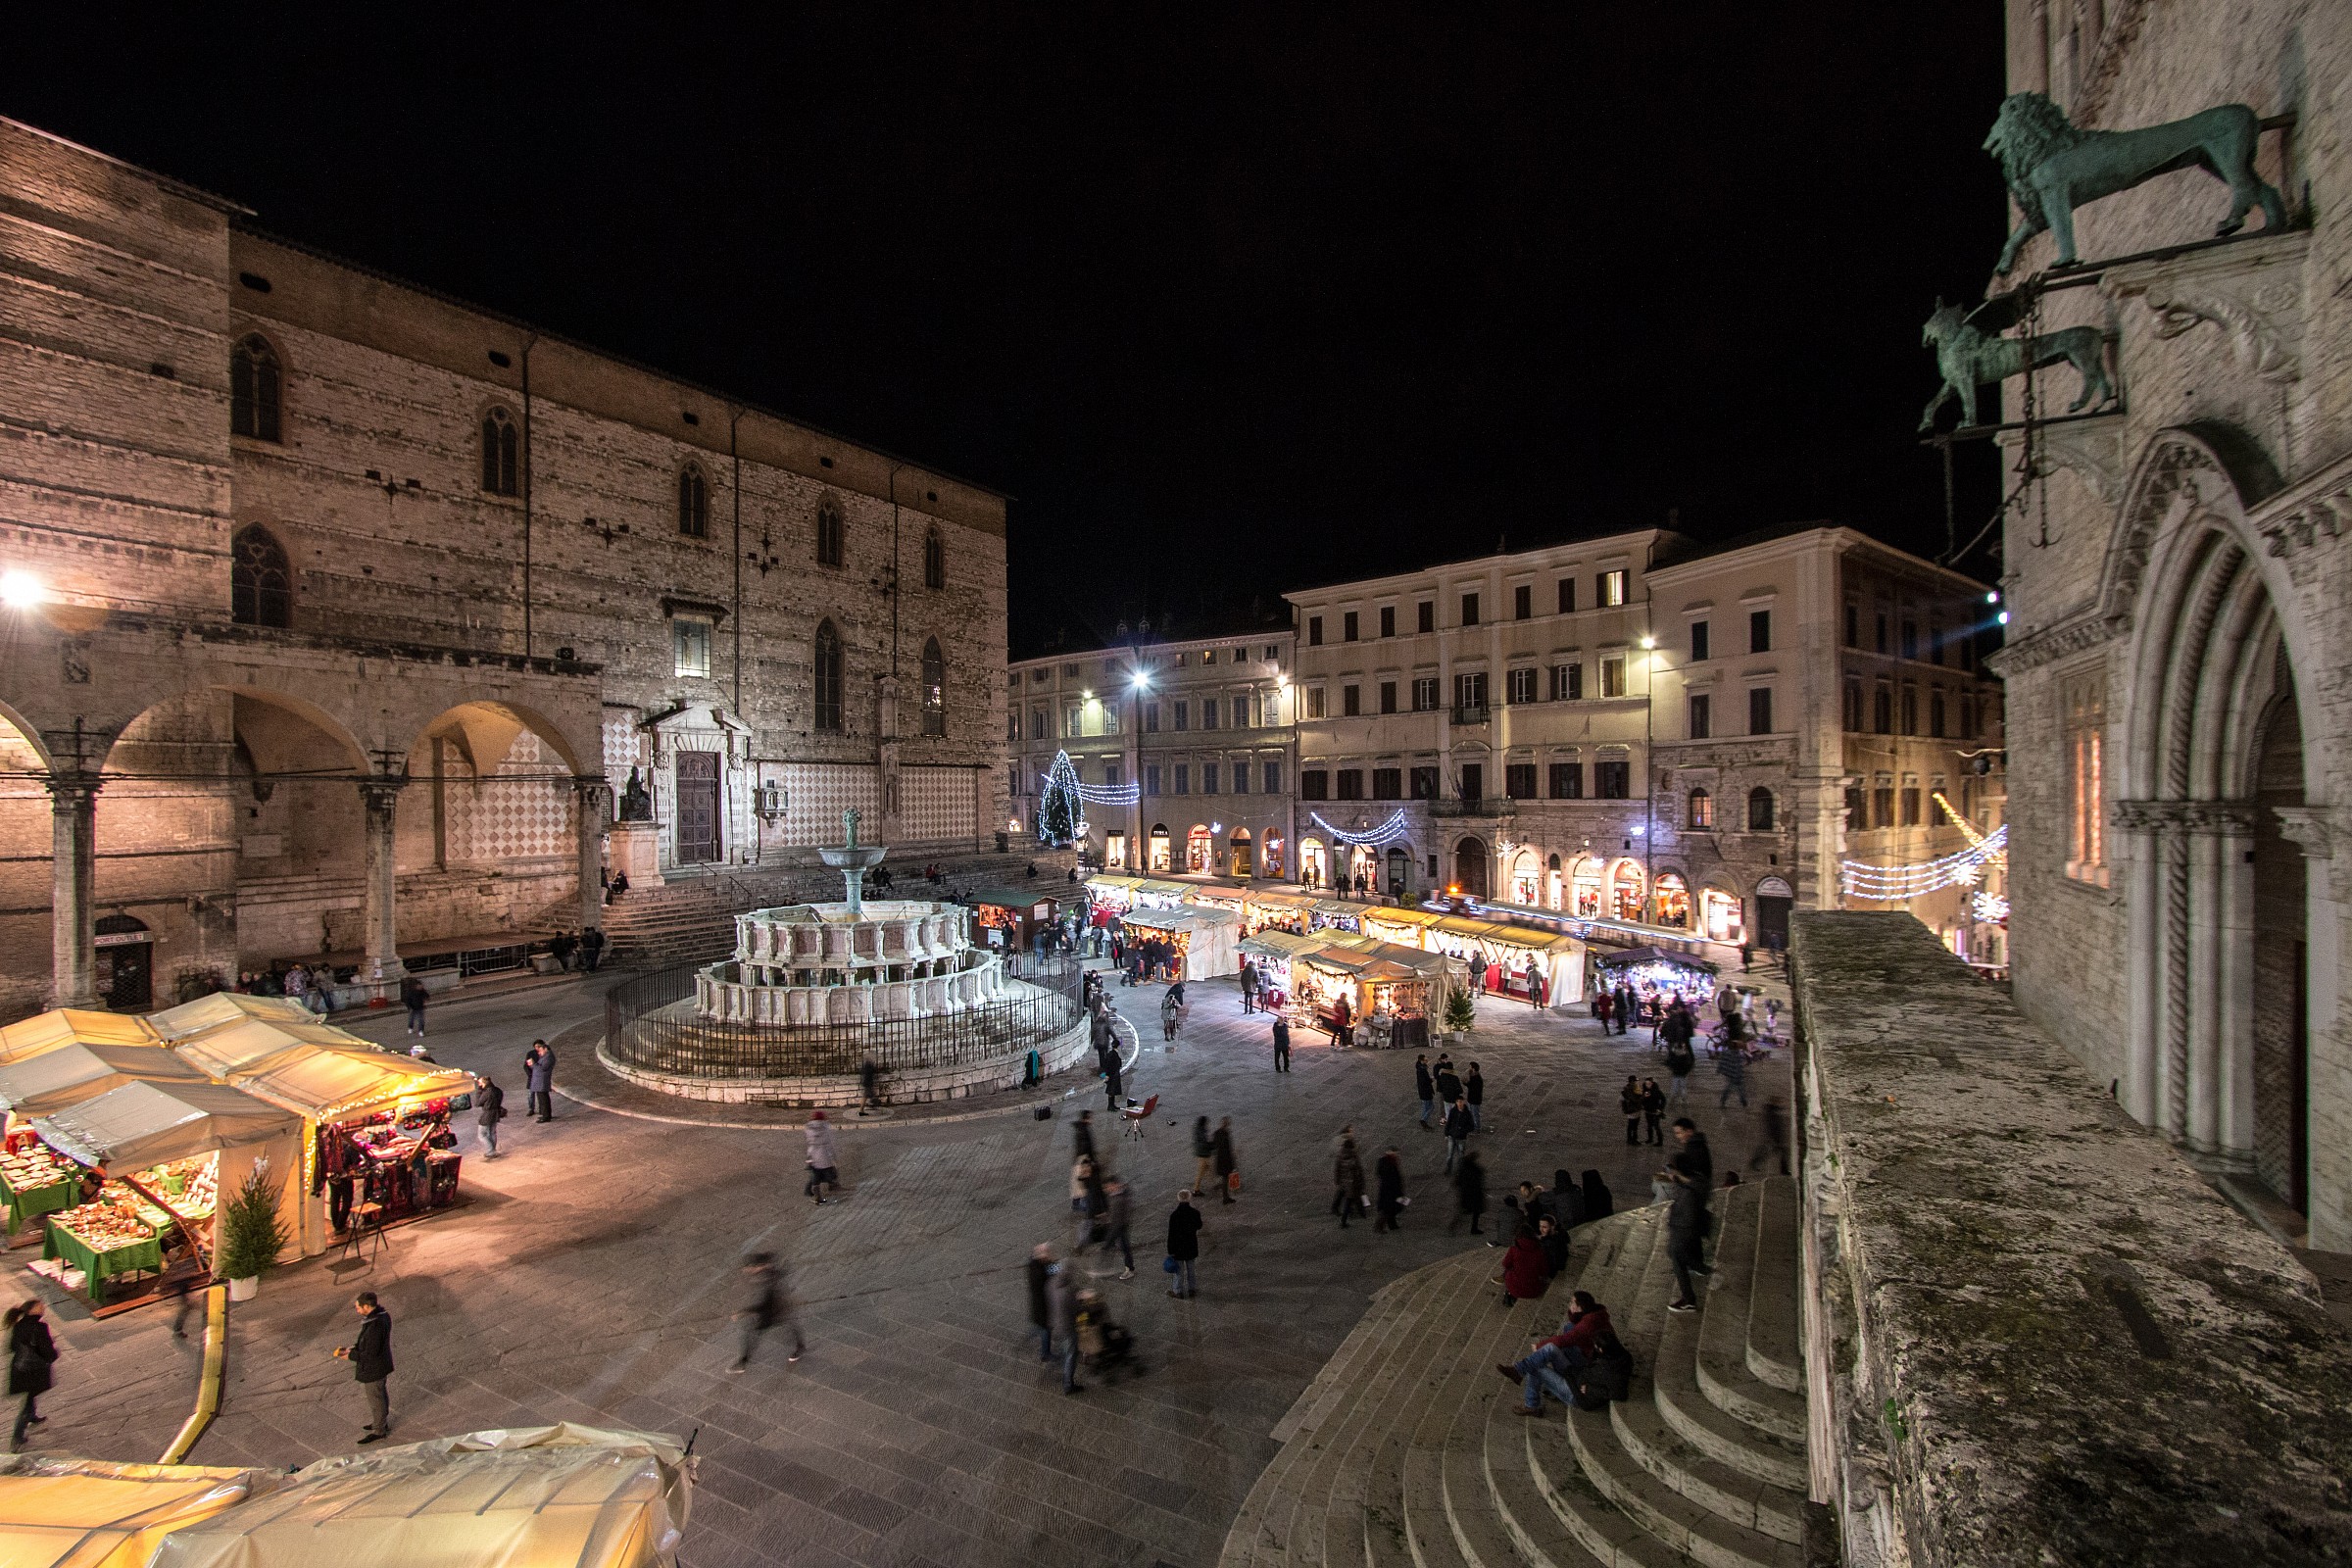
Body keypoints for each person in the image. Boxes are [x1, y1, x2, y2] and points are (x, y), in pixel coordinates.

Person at [1497, 1291, 1617, 1416]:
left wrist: (1539, 1346)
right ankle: (1519, 1371)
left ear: (1581, 1307)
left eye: (1573, 1302)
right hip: (1577, 1376)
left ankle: (1531, 1405)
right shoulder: (1597, 1317)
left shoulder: (1589, 1326)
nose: (1570, 1303)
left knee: (1536, 1367)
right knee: (1559, 1339)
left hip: (1576, 1394)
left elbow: (1565, 1340)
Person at [332, 1291, 394, 1443]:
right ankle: (380, 1422)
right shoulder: (381, 1317)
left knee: (376, 1399)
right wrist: (353, 1348)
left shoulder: (375, 1325)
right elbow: (369, 1344)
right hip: (380, 1365)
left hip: (374, 1368)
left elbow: (370, 1353)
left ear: (366, 1306)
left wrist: (350, 1356)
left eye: (358, 1307)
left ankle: (379, 1430)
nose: (357, 1310)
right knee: (380, 1395)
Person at [731, 1252, 804, 1371]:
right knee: (787, 1325)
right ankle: (800, 1346)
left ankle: (742, 1362)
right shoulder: (768, 1274)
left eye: (749, 1267)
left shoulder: (766, 1279)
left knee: (750, 1332)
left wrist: (743, 1312)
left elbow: (763, 1303)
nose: (747, 1270)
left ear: (758, 1266)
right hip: (775, 1309)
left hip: (771, 1312)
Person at [7, 1298, 57, 1449]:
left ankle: (33, 1416)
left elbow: (12, 1347)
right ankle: (17, 1436)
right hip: (34, 1369)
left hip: (20, 1368)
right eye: (40, 1306)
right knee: (28, 1400)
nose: (43, 1308)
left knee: (31, 1393)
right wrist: (53, 1356)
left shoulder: (18, 1326)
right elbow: (47, 1349)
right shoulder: (40, 1327)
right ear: (32, 1310)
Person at [1665, 1166, 1711, 1314]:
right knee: (1675, 1254)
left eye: (1671, 1171)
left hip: (1683, 1234)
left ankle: (1689, 1301)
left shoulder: (1688, 1193)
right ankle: (1702, 1269)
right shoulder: (1695, 1182)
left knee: (1677, 1259)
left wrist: (1677, 1232)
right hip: (1686, 1233)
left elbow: (1686, 1216)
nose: (1669, 1174)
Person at [1045, 1260, 1082, 1393]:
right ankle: (1068, 1384)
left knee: (1064, 1349)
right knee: (1071, 1354)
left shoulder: (1051, 1283)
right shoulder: (1068, 1291)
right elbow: (1076, 1309)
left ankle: (1059, 1363)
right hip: (1067, 1327)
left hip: (1054, 1324)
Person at [1496, 1224, 1549, 1304]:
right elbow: (1543, 1271)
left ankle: (1509, 1294)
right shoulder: (1539, 1251)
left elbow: (1505, 1264)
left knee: (1508, 1271)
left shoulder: (1514, 1249)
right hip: (1533, 1290)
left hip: (1514, 1288)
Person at [1165, 1191, 1202, 1298]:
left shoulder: (1174, 1215)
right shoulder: (1195, 1213)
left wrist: (1170, 1250)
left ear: (1178, 1199)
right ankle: (1192, 1289)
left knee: (1179, 1272)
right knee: (1191, 1270)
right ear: (1189, 1198)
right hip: (1191, 1246)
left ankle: (1178, 1291)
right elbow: (1199, 1226)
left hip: (1178, 1248)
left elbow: (1171, 1234)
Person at [1027, 1244, 1056, 1362]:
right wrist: (1051, 1261)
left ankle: (1034, 1332)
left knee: (1039, 1325)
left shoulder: (1032, 1264)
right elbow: (1057, 1272)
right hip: (1043, 1308)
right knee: (1046, 1330)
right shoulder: (1042, 1272)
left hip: (1037, 1306)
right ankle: (1045, 1353)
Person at [804, 1111, 841, 1203]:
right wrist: (834, 1156)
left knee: (816, 1175)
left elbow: (808, 1141)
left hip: (813, 1154)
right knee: (830, 1172)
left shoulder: (809, 1128)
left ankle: (817, 1196)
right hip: (824, 1154)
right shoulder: (825, 1128)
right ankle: (832, 1185)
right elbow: (830, 1143)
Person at [1102, 1175, 1135, 1279]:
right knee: (1123, 1247)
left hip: (1120, 1226)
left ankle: (1129, 1269)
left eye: (1108, 1186)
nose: (1107, 1189)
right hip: (1120, 1225)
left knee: (1124, 1247)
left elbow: (1119, 1217)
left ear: (1114, 1185)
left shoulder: (1119, 1199)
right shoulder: (1118, 1194)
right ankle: (1128, 1268)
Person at [1448, 1149, 1487, 1236]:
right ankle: (1473, 1229)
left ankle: (1453, 1227)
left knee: (1462, 1212)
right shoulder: (1475, 1170)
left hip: (1465, 1195)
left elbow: (1456, 1182)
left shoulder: (1462, 1168)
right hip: (1474, 1194)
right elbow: (1478, 1180)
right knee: (1475, 1213)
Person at [1671, 1118, 1715, 1192]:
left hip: (1696, 1192)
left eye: (1679, 1133)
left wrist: (1676, 1176)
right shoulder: (1696, 1144)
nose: (1677, 1136)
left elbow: (1695, 1179)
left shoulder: (1694, 1148)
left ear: (1689, 1131)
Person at [1662, 1014, 1696, 1109]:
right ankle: (1684, 1101)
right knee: (1683, 1088)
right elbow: (1688, 1064)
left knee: (1674, 1088)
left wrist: (1670, 1067)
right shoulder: (1685, 1056)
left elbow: (1671, 1062)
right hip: (1683, 1074)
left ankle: (1671, 1102)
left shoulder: (1674, 1055)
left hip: (1676, 1074)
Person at [1332, 1137, 1366, 1228]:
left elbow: (1337, 1169)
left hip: (1344, 1183)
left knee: (1354, 1198)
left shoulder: (1340, 1155)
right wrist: (1362, 1181)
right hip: (1353, 1183)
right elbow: (1359, 1169)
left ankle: (1361, 1212)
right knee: (1350, 1201)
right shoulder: (1354, 1156)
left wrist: (1337, 1181)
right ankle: (1344, 1221)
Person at [1755, 1096, 1790, 1174]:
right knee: (1778, 1152)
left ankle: (1756, 1162)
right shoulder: (1771, 1113)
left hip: (1775, 1136)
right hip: (1775, 1137)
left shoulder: (1772, 1110)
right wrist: (1774, 1138)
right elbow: (1772, 1126)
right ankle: (1784, 1170)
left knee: (1769, 1152)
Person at [522, 1040, 556, 1123]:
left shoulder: (549, 1057)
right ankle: (546, 1115)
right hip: (540, 1081)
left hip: (542, 1081)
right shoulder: (545, 1056)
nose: (539, 1052)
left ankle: (546, 1116)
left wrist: (533, 1064)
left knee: (543, 1100)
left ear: (545, 1049)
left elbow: (542, 1068)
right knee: (543, 1099)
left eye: (540, 1050)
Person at [1374, 1147, 1405, 1232]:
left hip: (1389, 1190)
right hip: (1390, 1190)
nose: (1397, 1155)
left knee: (1392, 1208)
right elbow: (1392, 1177)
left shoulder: (1385, 1161)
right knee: (1387, 1209)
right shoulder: (1389, 1162)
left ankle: (1392, 1225)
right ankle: (1379, 1227)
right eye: (1395, 1153)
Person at [1443, 1095, 1473, 1175]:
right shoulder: (1453, 1111)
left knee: (1461, 1156)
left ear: (1463, 1102)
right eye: (1458, 1102)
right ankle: (1448, 1170)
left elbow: (1472, 1126)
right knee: (1449, 1156)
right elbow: (1448, 1122)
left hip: (1461, 1138)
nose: (1459, 1103)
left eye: (1461, 1101)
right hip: (1452, 1137)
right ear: (1456, 1103)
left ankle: (1461, 1171)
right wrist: (1446, 1133)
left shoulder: (1467, 1113)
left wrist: (1463, 1131)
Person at [1718, 1034, 1750, 1108]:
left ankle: (1724, 1101)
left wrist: (1719, 1070)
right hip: (1737, 1075)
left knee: (1730, 1088)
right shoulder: (1740, 1054)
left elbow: (1722, 1062)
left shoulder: (1727, 1053)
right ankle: (1743, 1102)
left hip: (1731, 1075)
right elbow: (1746, 1061)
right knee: (1738, 1088)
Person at [1212, 1116, 1238, 1205]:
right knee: (1225, 1177)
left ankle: (1223, 1192)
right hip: (1225, 1160)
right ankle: (1225, 1197)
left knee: (1225, 1177)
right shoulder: (1226, 1133)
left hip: (1220, 1159)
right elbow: (1228, 1149)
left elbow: (1214, 1145)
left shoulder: (1216, 1133)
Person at [1536, 1212, 1570, 1279]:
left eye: (1544, 1227)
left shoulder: (1550, 1244)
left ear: (1552, 1227)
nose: (1541, 1229)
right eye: (1540, 1226)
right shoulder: (1560, 1235)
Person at [1189, 1116, 1216, 1198]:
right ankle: (1196, 1190)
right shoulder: (1201, 1132)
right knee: (1201, 1171)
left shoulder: (1198, 1129)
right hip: (1203, 1153)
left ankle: (1213, 1183)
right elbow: (1204, 1143)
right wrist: (1213, 1146)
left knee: (1208, 1167)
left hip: (1201, 1152)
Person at [1641, 1078, 1666, 1146]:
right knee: (1649, 1126)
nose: (1647, 1085)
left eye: (1649, 1083)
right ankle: (1650, 1139)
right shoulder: (1645, 1091)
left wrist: (1660, 1109)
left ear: (1652, 1083)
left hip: (1655, 1112)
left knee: (1657, 1126)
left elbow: (1663, 1099)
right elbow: (1641, 1101)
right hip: (1648, 1111)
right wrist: (1644, 1096)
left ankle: (1660, 1141)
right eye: (1646, 1084)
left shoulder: (1657, 1091)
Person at [1620, 1076, 1643, 1146]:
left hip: (1635, 1110)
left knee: (1632, 1125)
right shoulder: (1630, 1090)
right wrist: (1643, 1096)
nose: (1637, 1082)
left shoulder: (1633, 1088)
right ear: (1632, 1081)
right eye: (1636, 1081)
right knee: (1633, 1126)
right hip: (1632, 1110)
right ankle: (1633, 1140)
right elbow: (1635, 1100)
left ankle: (1630, 1139)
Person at [1413, 1054, 1435, 1128]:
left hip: (1423, 1091)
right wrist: (1431, 1079)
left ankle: (1423, 1119)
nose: (1427, 1061)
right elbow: (1424, 1082)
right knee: (1431, 1107)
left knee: (1425, 1107)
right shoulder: (1421, 1070)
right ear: (1421, 1060)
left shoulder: (1421, 1068)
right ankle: (1423, 1120)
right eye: (1425, 1060)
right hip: (1425, 1091)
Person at [1464, 1062, 1485, 1132]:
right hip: (1472, 1098)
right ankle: (1472, 1126)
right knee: (1471, 1113)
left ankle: (1477, 1128)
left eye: (1470, 1067)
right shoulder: (1474, 1076)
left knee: (1475, 1114)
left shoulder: (1476, 1078)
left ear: (1473, 1068)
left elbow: (1471, 1086)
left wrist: (1465, 1083)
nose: (1469, 1068)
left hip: (1475, 1099)